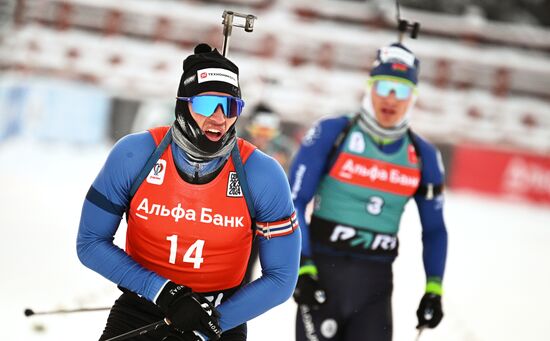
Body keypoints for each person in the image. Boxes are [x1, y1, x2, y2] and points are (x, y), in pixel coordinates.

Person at [77, 43, 301, 341]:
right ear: (183, 104)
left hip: (217, 320)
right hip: (142, 306)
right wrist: (162, 292)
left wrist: (215, 321)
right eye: (208, 105)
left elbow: (282, 279)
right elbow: (90, 243)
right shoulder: (136, 154)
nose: (220, 119)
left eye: (231, 107)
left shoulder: (262, 174)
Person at [289, 42, 448, 341]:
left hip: (374, 288)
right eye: (383, 87)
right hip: (322, 276)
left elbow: (436, 229)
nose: (391, 99)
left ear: (412, 97)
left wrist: (434, 289)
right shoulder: (333, 133)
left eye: (401, 90)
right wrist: (303, 266)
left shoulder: (423, 154)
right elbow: (292, 202)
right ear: (369, 88)